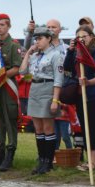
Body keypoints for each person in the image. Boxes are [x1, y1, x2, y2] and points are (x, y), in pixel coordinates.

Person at [19, 27, 63, 174]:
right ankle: (42, 160)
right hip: (35, 89)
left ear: (49, 38)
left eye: (40, 38)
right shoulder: (35, 56)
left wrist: (55, 100)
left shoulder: (56, 55)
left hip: (47, 89)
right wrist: (28, 53)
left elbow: (58, 79)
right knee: (38, 128)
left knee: (48, 127)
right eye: (36, 39)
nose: (37, 41)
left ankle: (48, 162)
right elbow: (22, 71)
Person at [64, 25, 95, 171]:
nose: (81, 40)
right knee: (84, 128)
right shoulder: (76, 52)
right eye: (78, 37)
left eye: (84, 37)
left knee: (93, 128)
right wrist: (70, 51)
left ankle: (93, 161)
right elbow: (67, 68)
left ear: (91, 37)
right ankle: (89, 160)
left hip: (94, 95)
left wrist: (88, 82)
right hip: (80, 95)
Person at [0, 13, 23, 171]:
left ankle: (10, 153)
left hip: (8, 86)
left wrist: (0, 77)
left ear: (8, 26)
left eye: (2, 25)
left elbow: (16, 68)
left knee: (10, 119)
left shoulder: (14, 45)